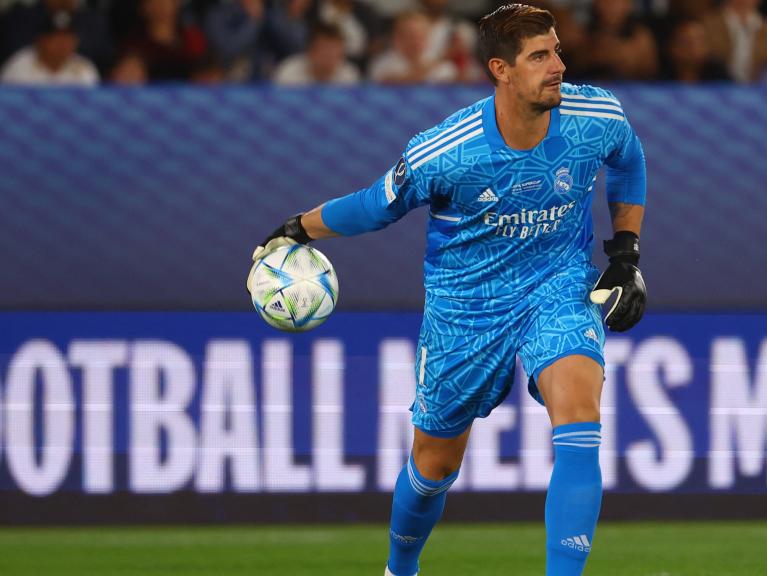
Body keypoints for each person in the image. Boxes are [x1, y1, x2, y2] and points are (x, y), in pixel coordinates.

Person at [248, 5, 647, 575]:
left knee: (580, 412)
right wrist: (299, 227)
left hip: (557, 285)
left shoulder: (596, 116)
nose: (558, 65)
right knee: (433, 465)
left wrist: (625, 253)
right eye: (540, 56)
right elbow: (375, 206)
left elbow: (629, 161)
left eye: (557, 50)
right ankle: (399, 569)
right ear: (500, 69)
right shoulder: (446, 151)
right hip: (465, 308)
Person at [1, 10, 99, 85]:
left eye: (68, 38)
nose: (63, 44)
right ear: (40, 41)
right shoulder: (18, 67)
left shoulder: (84, 68)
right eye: (57, 37)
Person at [367, 9, 456, 83]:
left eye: (420, 36)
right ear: (396, 38)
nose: (415, 42)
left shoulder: (444, 68)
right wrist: (428, 67)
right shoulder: (381, 64)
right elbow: (388, 83)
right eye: (409, 36)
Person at [273, 21, 360, 84]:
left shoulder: (350, 76)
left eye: (336, 53)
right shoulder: (288, 72)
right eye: (325, 51)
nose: (330, 58)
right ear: (310, 51)